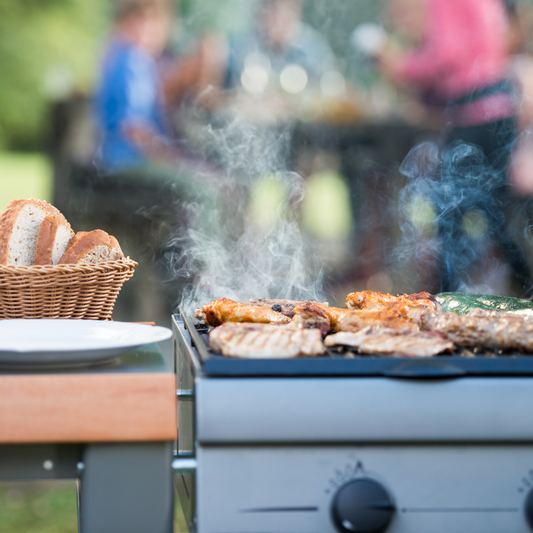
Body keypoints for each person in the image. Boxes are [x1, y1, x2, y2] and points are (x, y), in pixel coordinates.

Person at [376, 0, 533, 295]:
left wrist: (400, 64)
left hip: (474, 118)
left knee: (449, 219)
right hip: (498, 113)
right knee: (500, 216)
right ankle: (524, 287)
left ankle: (446, 299)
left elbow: (447, 54)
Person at [224, 0, 336, 94]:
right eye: (271, 9)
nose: (277, 18)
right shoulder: (240, 46)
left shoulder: (312, 49)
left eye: (285, 10)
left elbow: (331, 88)